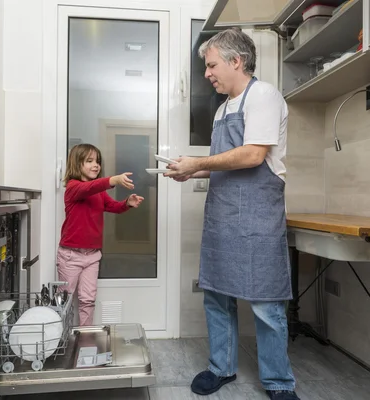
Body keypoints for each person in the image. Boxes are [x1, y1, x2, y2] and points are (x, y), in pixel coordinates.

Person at [165, 28, 299, 400]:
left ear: (236, 61)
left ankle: (277, 381)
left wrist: (198, 161)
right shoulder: (224, 108)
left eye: (211, 65)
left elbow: (253, 155)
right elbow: (225, 163)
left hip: (257, 218)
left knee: (266, 302)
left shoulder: (265, 97)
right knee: (217, 295)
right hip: (224, 217)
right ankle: (220, 368)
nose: (207, 74)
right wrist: (191, 170)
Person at [57, 143, 144, 326]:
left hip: (92, 256)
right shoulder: (73, 187)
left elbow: (113, 206)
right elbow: (89, 188)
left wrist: (127, 203)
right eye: (89, 161)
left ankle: (84, 338)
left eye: (97, 161)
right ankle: (59, 341)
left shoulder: (99, 192)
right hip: (70, 256)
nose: (96, 165)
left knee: (88, 300)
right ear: (76, 163)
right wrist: (113, 180)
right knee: (63, 302)